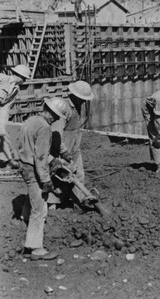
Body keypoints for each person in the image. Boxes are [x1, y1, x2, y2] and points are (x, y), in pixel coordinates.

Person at [18, 97, 69, 260]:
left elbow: (28, 147)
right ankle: (35, 248)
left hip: (24, 165)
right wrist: (46, 180)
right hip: (33, 169)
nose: (56, 120)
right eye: (57, 117)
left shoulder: (30, 120)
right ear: (53, 115)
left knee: (33, 197)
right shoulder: (45, 128)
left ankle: (23, 219)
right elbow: (40, 157)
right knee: (40, 209)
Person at [51, 81, 94, 203]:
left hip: (74, 149)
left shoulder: (78, 106)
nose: (84, 101)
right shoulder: (64, 108)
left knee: (79, 175)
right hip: (62, 151)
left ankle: (79, 202)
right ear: (74, 95)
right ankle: (52, 204)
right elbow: (56, 134)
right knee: (58, 178)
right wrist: (63, 152)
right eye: (82, 98)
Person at [0, 64, 31, 167]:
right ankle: (11, 158)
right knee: (3, 134)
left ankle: (8, 159)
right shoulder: (4, 78)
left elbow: (6, 106)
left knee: (3, 134)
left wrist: (3, 122)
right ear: (19, 76)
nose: (25, 81)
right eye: (24, 78)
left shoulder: (16, 89)